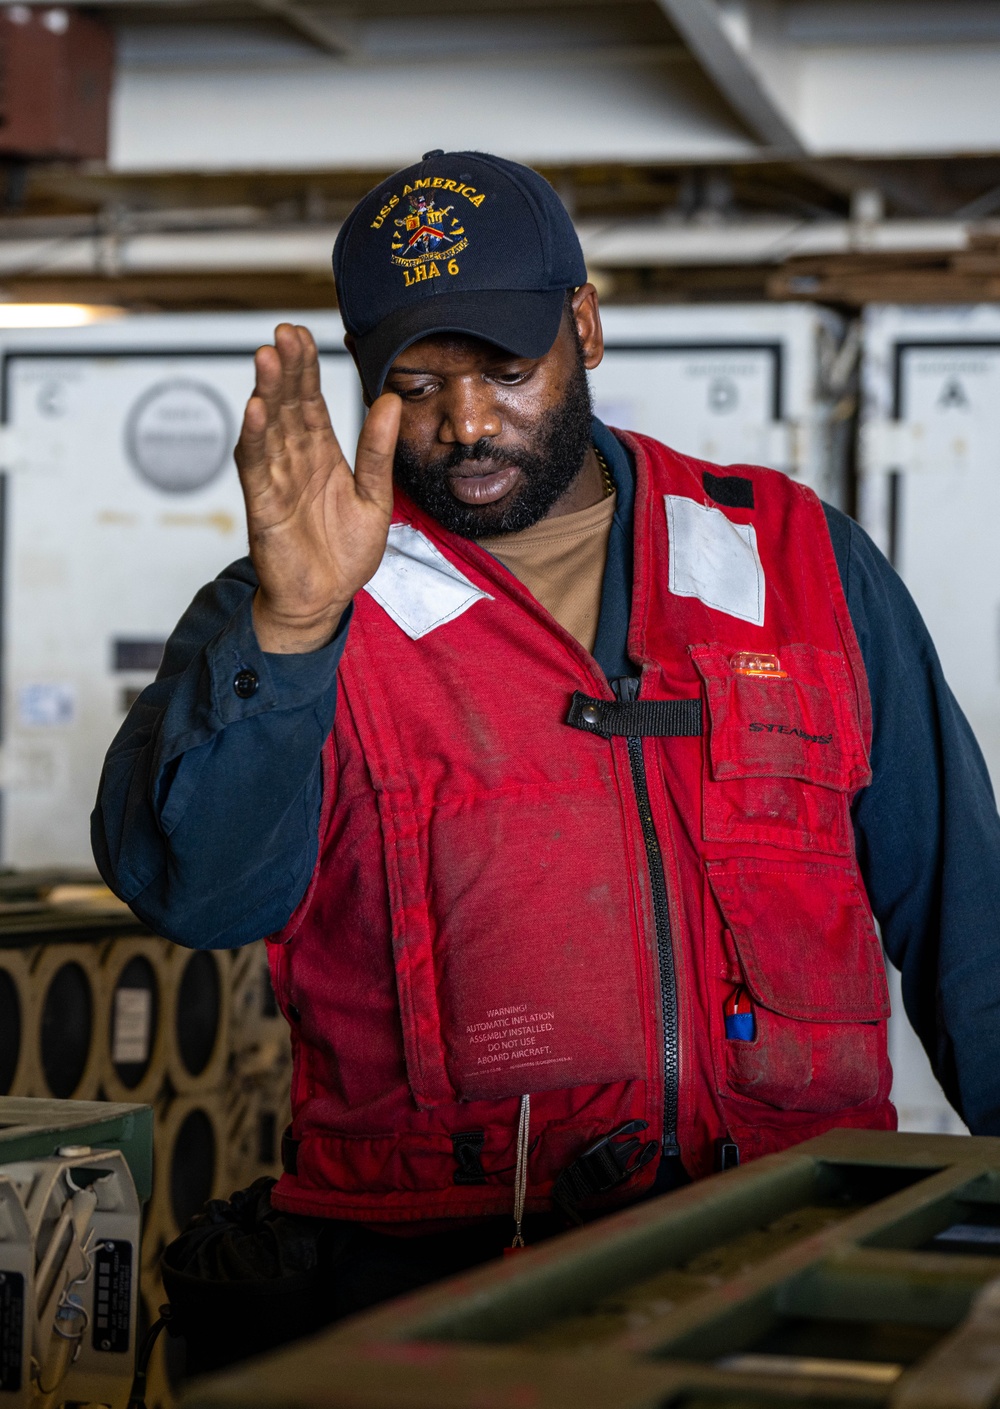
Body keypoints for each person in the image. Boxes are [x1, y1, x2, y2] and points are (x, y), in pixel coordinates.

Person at [94, 150, 1000, 1366]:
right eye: (414, 384)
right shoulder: (299, 603)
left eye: (506, 371)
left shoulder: (798, 563)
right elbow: (200, 895)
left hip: (794, 1248)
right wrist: (293, 627)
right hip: (429, 1283)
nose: (465, 423)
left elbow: (968, 916)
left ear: (586, 325)